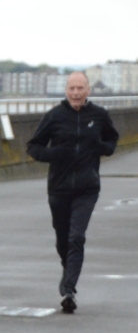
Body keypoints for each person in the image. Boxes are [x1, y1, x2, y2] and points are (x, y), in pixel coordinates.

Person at [27, 72, 119, 314]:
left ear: (88, 90)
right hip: (59, 188)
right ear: (66, 91)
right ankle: (67, 270)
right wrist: (56, 153)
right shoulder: (54, 117)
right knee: (63, 238)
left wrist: (102, 148)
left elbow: (112, 139)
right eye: (72, 88)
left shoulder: (98, 115)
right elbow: (33, 147)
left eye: (80, 88)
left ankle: (69, 290)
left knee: (77, 236)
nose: (76, 93)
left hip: (87, 188)